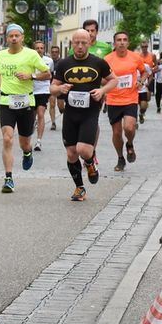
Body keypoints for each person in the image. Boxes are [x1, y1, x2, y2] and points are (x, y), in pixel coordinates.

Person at [51, 29, 117, 202]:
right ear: (72, 44)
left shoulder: (98, 62)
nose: (80, 46)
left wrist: (102, 90)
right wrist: (60, 89)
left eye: (84, 43)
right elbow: (52, 88)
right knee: (72, 154)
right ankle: (79, 188)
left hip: (90, 112)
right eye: (77, 43)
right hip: (70, 113)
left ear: (89, 43)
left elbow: (114, 80)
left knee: (83, 150)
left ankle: (90, 161)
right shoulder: (64, 64)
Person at [0, 24, 51, 193]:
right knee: (7, 138)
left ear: (22, 37)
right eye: (11, 36)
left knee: (24, 142)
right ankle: (8, 178)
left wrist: (30, 76)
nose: (14, 38)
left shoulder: (31, 54)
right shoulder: (0, 56)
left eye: (17, 35)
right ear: (7, 38)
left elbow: (47, 74)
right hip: (7, 102)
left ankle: (27, 151)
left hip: (26, 102)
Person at [104, 31, 146, 171]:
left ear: (128, 42)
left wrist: (141, 80)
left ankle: (130, 143)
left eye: (124, 40)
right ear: (114, 43)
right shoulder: (107, 59)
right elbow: (102, 78)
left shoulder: (135, 57)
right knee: (116, 133)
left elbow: (145, 71)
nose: (122, 42)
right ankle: (120, 158)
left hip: (130, 98)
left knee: (129, 127)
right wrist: (107, 84)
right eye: (119, 40)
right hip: (113, 99)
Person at [31, 40, 54, 151]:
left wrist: (34, 76)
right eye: (37, 48)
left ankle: (38, 141)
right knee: (31, 116)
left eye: (41, 48)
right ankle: (31, 129)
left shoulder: (49, 61)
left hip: (43, 91)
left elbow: (50, 76)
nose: (39, 50)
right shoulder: (29, 60)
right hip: (31, 90)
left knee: (41, 114)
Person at [136, 40, 157, 124]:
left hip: (146, 82)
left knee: (144, 104)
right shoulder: (137, 56)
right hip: (135, 86)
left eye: (146, 47)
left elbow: (155, 65)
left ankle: (142, 113)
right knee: (134, 106)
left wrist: (154, 69)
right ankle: (135, 122)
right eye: (142, 47)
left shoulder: (152, 55)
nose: (144, 48)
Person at [49, 45, 62, 130]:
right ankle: (53, 123)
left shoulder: (62, 62)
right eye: (53, 52)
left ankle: (62, 111)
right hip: (51, 86)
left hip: (60, 86)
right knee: (52, 104)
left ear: (59, 53)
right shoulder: (48, 62)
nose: (54, 53)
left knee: (61, 106)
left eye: (56, 52)